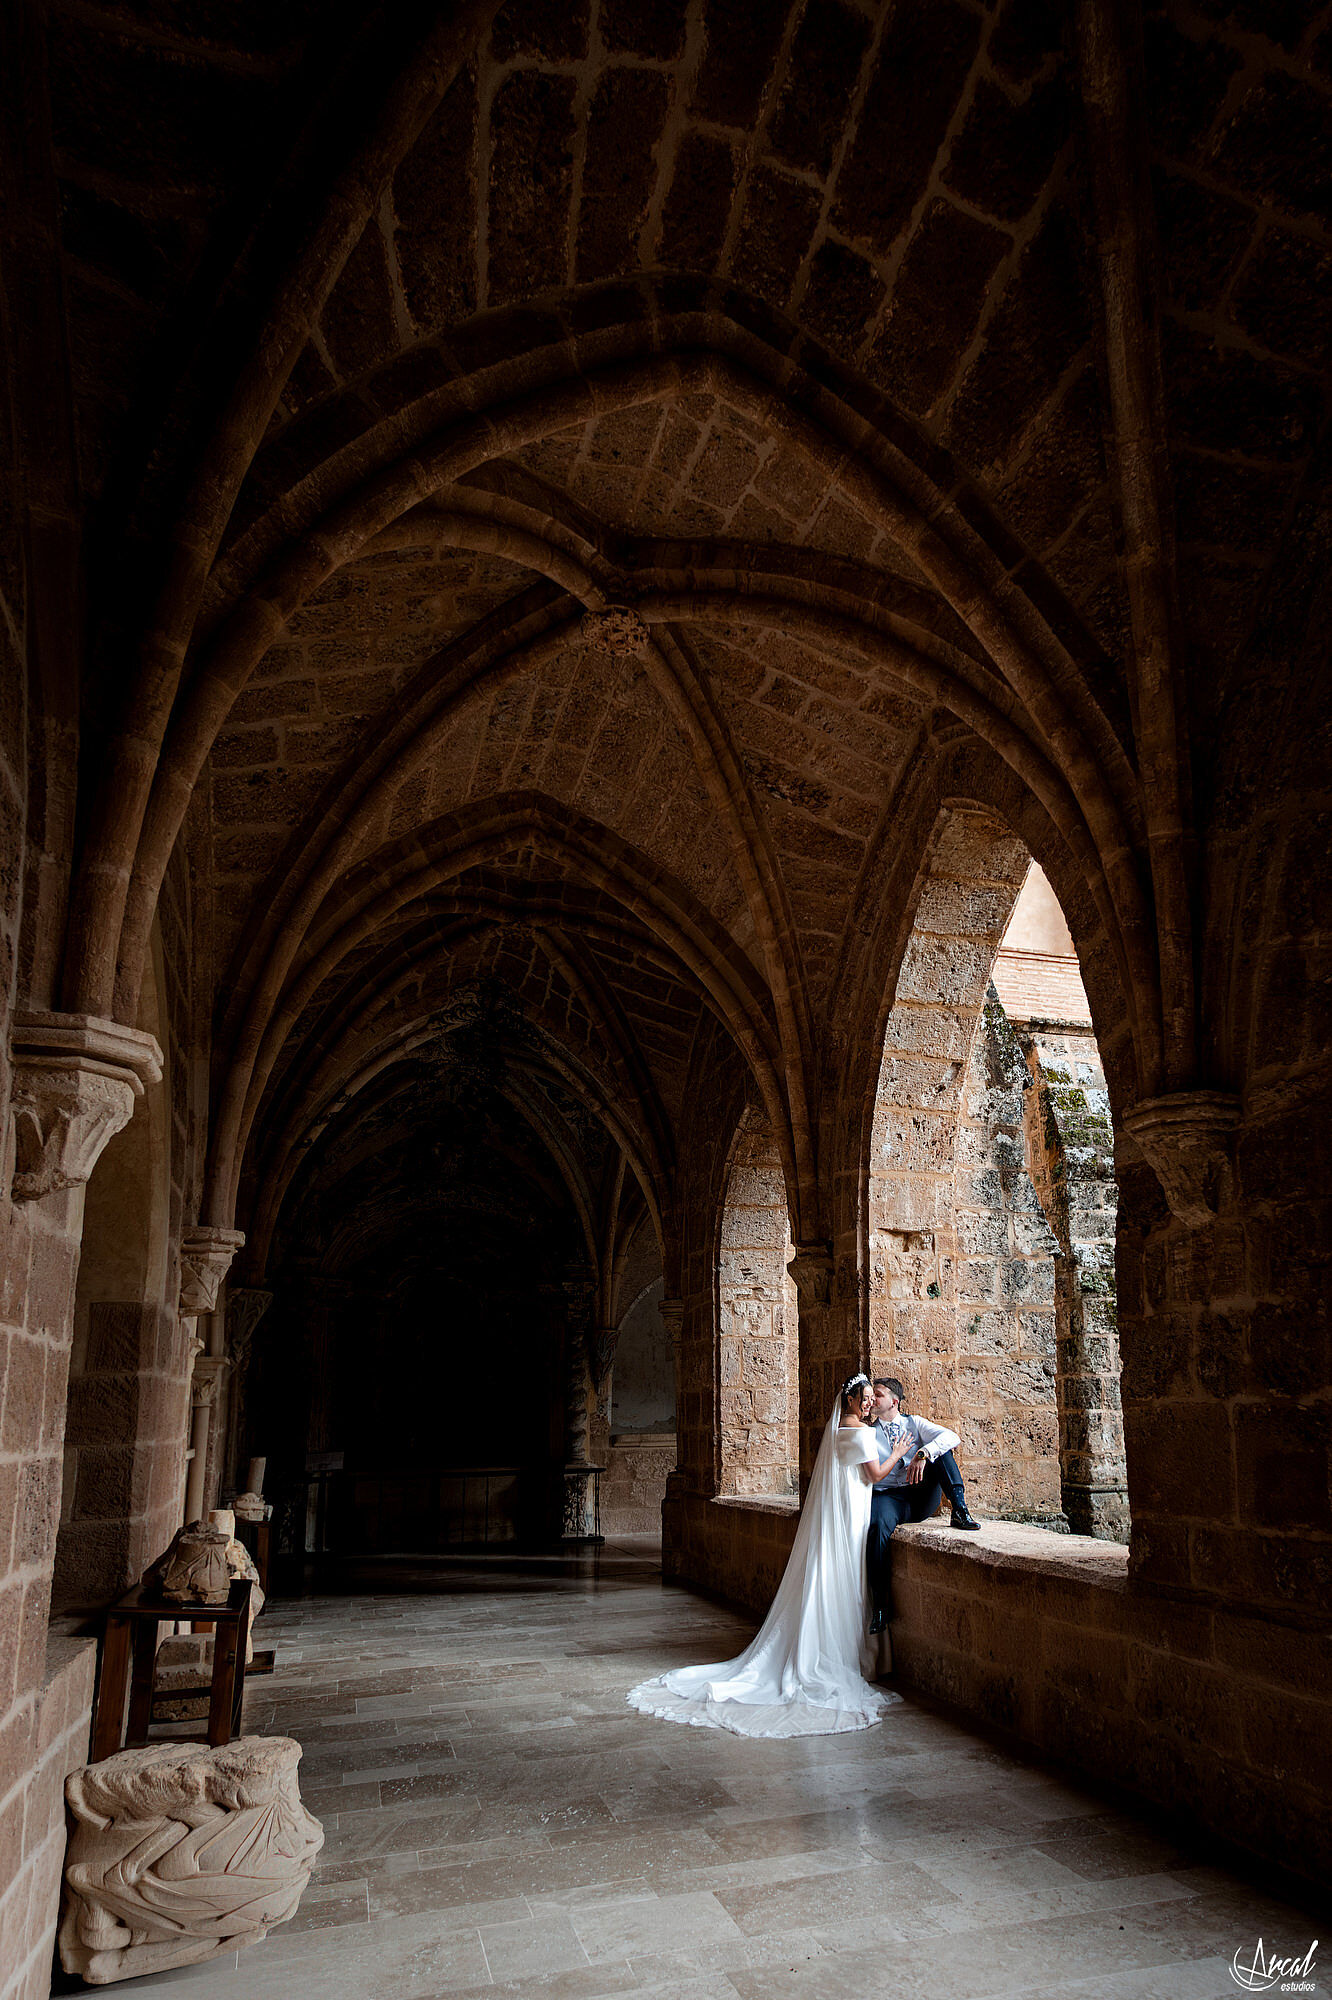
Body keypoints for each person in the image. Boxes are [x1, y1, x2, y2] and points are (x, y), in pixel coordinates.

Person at [627, 1375, 912, 1736]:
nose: (870, 1403)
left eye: (873, 1398)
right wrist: (900, 1453)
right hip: (851, 1517)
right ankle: (838, 1658)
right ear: (851, 1400)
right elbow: (874, 1476)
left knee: (833, 1578)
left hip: (844, 1513)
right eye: (865, 1398)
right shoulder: (858, 1432)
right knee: (845, 1579)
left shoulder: (842, 1428)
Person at [867, 1375, 980, 1635]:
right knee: (877, 1529)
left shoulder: (914, 1423)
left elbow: (951, 1436)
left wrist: (922, 1453)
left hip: (920, 1496)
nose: (873, 1399)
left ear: (894, 1401)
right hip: (888, 1498)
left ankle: (960, 1510)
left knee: (940, 1451)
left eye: (879, 1394)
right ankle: (881, 1607)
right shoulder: (868, 1433)